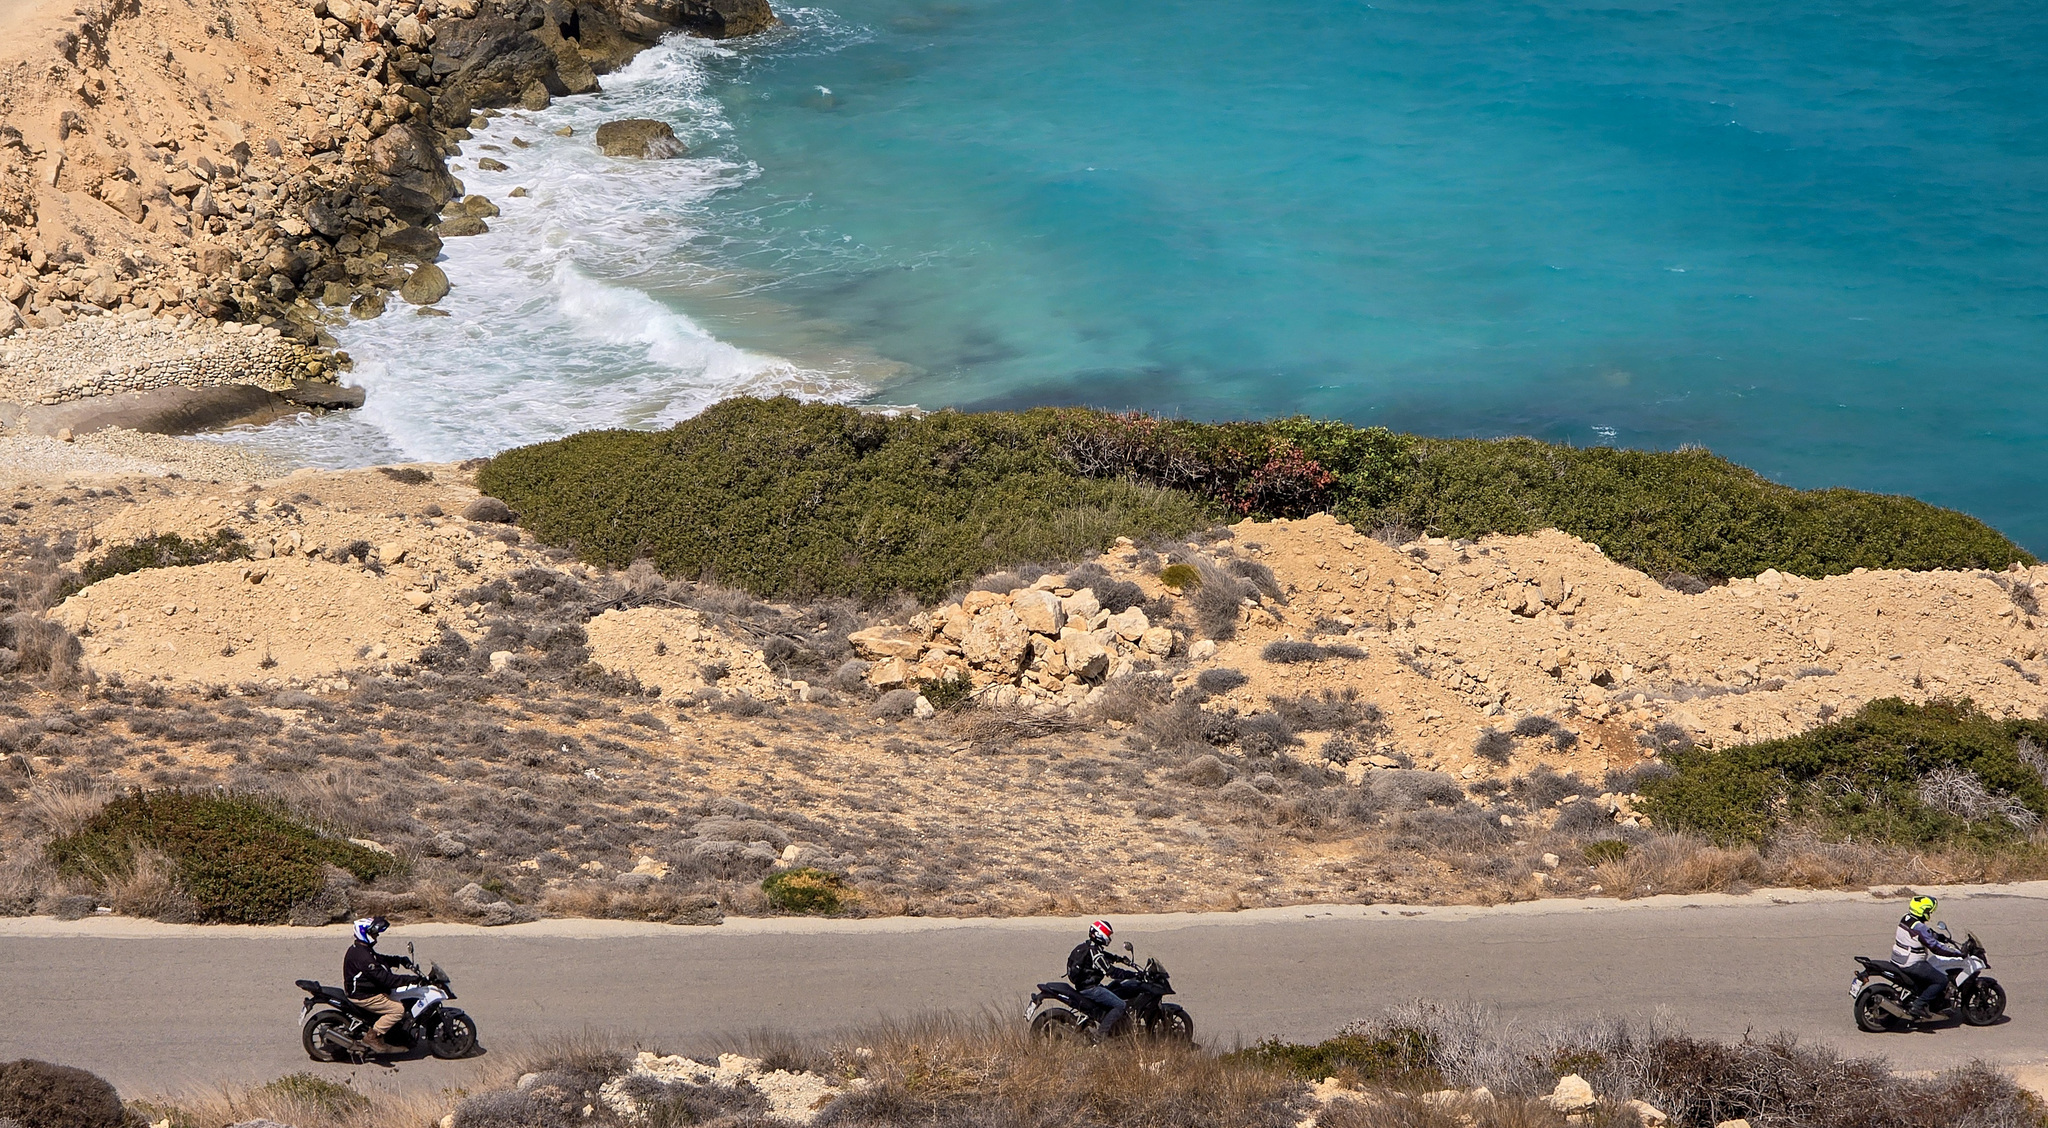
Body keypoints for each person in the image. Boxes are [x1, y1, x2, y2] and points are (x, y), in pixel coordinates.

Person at [343, 916, 412, 1053]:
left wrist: (399, 960)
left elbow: (379, 959)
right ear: (365, 933)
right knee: (398, 1010)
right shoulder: (363, 956)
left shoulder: (362, 949)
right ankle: (372, 1037)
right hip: (364, 995)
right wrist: (411, 980)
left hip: (366, 990)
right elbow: (386, 979)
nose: (377, 935)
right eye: (374, 933)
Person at [1890, 895, 1962, 1019]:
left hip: (1897, 959)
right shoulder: (1920, 928)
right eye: (1929, 911)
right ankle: (1918, 1005)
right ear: (1922, 910)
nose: (1930, 914)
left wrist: (1937, 936)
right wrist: (1957, 953)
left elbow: (1922, 934)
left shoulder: (1906, 918)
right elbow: (1936, 948)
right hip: (1912, 964)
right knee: (1941, 980)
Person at [1066, 919, 1135, 1041]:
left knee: (1116, 986)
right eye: (1108, 935)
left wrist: (1119, 959)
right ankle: (1100, 1035)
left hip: (1085, 986)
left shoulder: (1090, 947)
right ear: (1100, 935)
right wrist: (1132, 975)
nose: (1109, 938)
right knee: (1120, 1005)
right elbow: (1111, 971)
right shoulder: (1095, 953)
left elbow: (1105, 956)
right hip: (1090, 989)